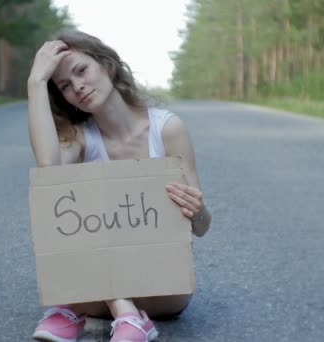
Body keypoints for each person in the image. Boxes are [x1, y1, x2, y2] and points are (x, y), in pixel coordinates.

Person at [27, 30, 212, 342]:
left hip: (163, 286)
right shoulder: (81, 138)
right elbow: (49, 172)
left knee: (79, 280)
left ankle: (76, 313)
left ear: (107, 65)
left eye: (81, 71)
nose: (78, 87)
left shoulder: (167, 129)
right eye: (64, 86)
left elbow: (202, 227)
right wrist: (34, 83)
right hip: (96, 281)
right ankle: (124, 315)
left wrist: (197, 211)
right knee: (67, 205)